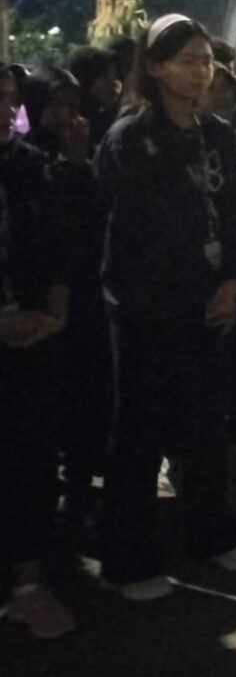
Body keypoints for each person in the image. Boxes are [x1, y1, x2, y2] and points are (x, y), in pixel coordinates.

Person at [94, 15, 236, 601]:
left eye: (206, 61)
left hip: (210, 304)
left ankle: (211, 532)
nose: (200, 72)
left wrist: (232, 283)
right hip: (147, 311)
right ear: (155, 67)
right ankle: (127, 558)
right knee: (138, 435)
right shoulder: (131, 139)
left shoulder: (218, 135)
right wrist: (187, 293)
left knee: (203, 428)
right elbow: (129, 238)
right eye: (187, 61)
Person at [0, 63, 75, 638]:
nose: (6, 111)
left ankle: (28, 580)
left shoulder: (31, 166)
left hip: (32, 335)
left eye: (9, 99)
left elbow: (57, 248)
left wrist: (55, 310)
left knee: (30, 457)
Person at [20, 67, 112, 527]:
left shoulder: (84, 156)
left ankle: (78, 488)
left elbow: (98, 222)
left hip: (85, 298)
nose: (66, 116)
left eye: (74, 106)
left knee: (85, 396)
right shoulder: (22, 160)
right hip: (38, 301)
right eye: (56, 104)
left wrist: (78, 163)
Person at [66, 45, 123, 149]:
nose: (114, 83)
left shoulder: (114, 117)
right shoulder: (69, 125)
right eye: (105, 76)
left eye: (115, 76)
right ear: (86, 79)